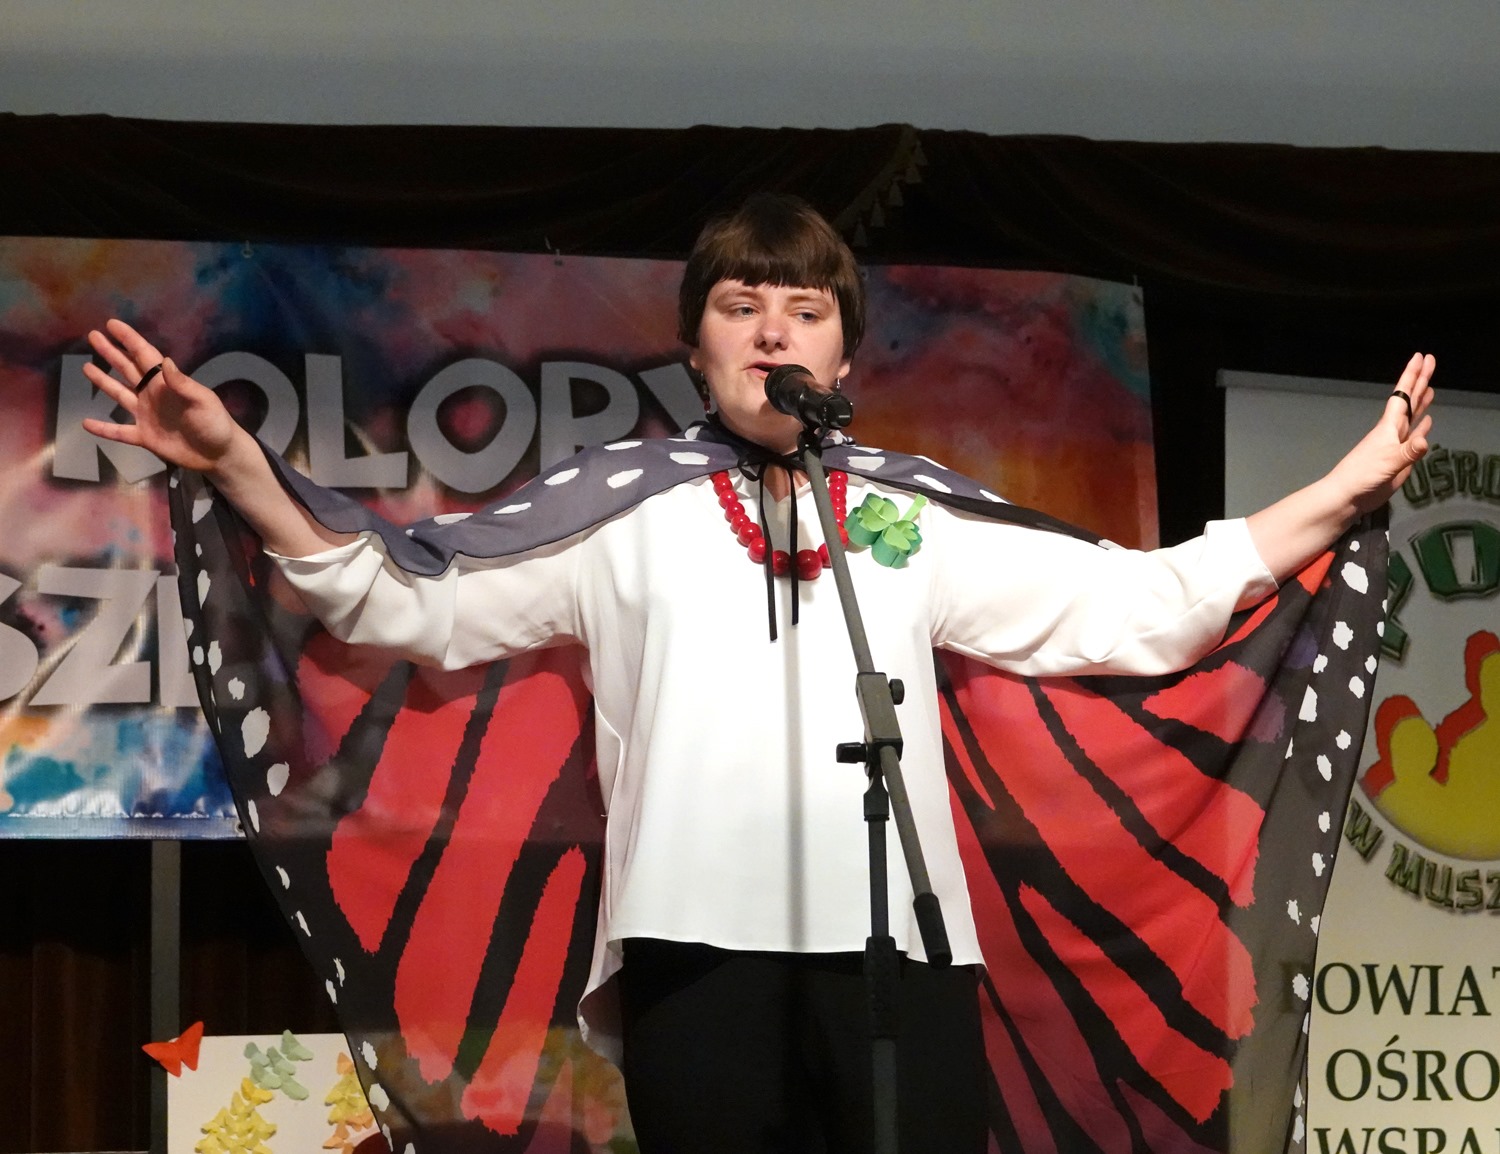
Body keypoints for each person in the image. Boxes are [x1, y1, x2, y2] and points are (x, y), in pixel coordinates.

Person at [83, 195, 1434, 1154]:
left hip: (904, 952)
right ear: (697, 347)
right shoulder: (619, 509)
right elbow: (397, 601)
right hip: (697, 952)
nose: (773, 332)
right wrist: (237, 460)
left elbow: (1135, 611)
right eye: (741, 306)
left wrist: (1339, 489)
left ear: (844, 353)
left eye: (805, 309)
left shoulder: (909, 516)